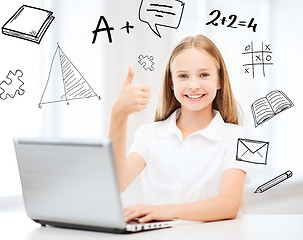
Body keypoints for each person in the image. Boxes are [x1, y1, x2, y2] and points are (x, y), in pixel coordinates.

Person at [108, 35, 251, 223]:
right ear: (171, 82)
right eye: (183, 76)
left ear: (219, 81)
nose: (193, 85)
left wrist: (161, 211)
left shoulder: (240, 137)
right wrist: (118, 115)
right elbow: (118, 182)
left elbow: (228, 205)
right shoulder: (148, 134)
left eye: (204, 75)